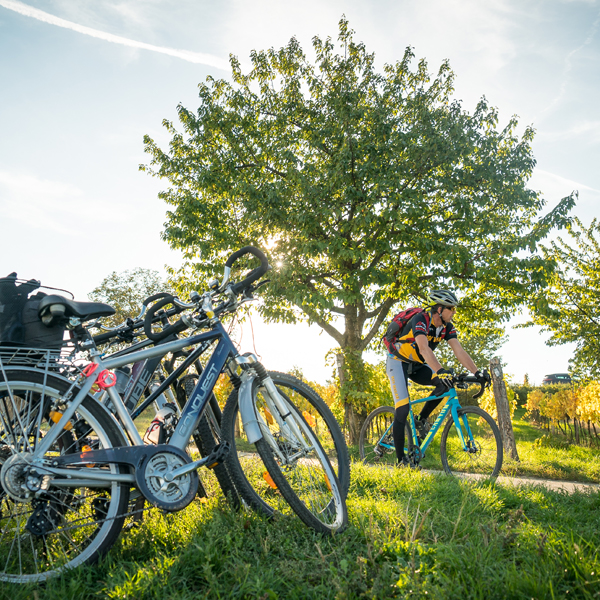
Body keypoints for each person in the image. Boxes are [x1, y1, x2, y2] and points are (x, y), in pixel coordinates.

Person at [385, 289, 488, 467]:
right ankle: (401, 460)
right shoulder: (421, 320)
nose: (454, 312)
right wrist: (440, 370)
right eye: (451, 308)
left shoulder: (447, 327)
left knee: (446, 386)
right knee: (402, 409)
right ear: (439, 309)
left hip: (417, 365)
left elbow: (459, 351)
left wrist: (477, 372)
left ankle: (420, 420)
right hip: (397, 362)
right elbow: (424, 349)